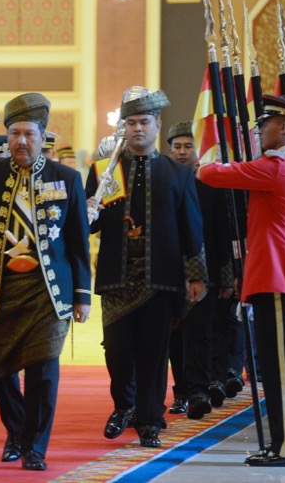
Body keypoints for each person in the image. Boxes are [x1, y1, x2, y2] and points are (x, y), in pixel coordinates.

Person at [0, 92, 92, 471]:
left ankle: (35, 446)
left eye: (29, 134)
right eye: (15, 133)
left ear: (43, 136)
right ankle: (16, 430)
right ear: (8, 137)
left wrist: (82, 295)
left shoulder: (66, 178)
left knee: (44, 371)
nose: (21, 141)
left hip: (48, 293)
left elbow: (78, 241)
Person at [86, 86, 206, 449]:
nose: (137, 129)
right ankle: (124, 406)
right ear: (123, 127)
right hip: (116, 279)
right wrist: (87, 209)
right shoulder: (104, 172)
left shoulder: (177, 173)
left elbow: (191, 227)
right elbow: (88, 226)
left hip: (161, 278)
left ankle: (150, 420)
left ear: (157, 125)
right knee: (118, 352)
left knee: (155, 354)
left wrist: (196, 274)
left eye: (144, 122)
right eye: (131, 123)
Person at [199, 94, 285, 467]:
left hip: (276, 274)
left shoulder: (276, 166)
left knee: (280, 366)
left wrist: (214, 156)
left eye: (263, 125)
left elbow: (211, 174)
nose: (259, 131)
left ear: (282, 126)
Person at [166, 121, 234, 420]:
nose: (182, 152)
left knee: (199, 333)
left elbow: (222, 232)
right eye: (177, 146)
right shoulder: (164, 182)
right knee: (174, 337)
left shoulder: (211, 185)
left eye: (188, 146)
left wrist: (228, 275)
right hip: (168, 274)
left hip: (207, 273)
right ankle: (182, 391)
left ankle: (199, 390)